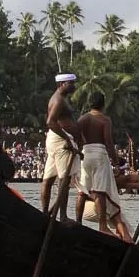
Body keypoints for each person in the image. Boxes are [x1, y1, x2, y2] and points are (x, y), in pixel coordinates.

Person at [76, 93, 130, 242]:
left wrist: (78, 150)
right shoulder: (105, 120)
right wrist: (116, 162)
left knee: (82, 190)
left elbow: (75, 134)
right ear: (103, 105)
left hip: (85, 154)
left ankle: (78, 222)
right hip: (99, 154)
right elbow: (108, 141)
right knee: (100, 192)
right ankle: (102, 226)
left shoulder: (83, 118)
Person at [40, 73, 82, 218]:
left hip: (57, 140)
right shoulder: (58, 100)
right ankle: (62, 216)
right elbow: (50, 122)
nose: (74, 86)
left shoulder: (61, 98)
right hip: (60, 142)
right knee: (64, 180)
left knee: (49, 179)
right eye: (71, 83)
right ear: (61, 84)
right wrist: (69, 140)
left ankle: (46, 214)